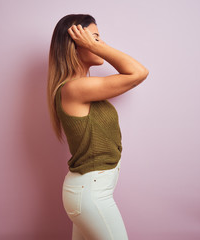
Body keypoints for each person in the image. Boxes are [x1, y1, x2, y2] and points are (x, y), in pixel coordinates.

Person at [47, 14, 149, 240]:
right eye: (94, 39)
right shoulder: (74, 89)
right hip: (90, 194)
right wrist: (95, 46)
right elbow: (138, 73)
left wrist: (93, 43)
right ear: (76, 45)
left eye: (99, 39)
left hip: (89, 191)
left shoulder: (86, 88)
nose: (99, 44)